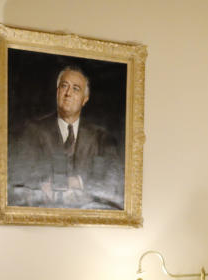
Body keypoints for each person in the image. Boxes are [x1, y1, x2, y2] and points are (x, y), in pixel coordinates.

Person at [8, 65, 123, 210]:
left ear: (84, 99)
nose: (68, 93)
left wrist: (78, 182)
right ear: (57, 92)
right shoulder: (33, 131)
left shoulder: (100, 138)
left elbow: (112, 185)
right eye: (64, 86)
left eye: (76, 88)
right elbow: (17, 179)